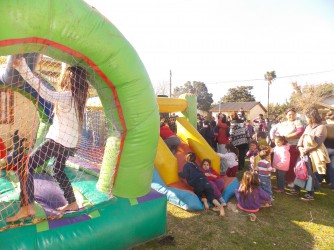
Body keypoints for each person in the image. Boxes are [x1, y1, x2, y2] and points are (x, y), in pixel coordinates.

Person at [7, 56, 89, 223]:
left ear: (68, 80)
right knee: (58, 170)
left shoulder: (67, 96)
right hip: (70, 144)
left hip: (58, 141)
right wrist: (66, 62)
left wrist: (23, 67)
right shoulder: (79, 100)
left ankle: (27, 206)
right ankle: (72, 202)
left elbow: (45, 92)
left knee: (26, 166)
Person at [286, 107, 329, 201]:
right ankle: (297, 189)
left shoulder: (321, 127)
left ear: (312, 117)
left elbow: (317, 143)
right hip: (303, 153)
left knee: (310, 173)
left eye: (307, 117)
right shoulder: (309, 126)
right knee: (299, 170)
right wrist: (300, 147)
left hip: (312, 154)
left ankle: (310, 193)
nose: (305, 119)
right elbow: (302, 137)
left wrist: (305, 150)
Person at [179, 152, 225, 217]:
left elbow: (184, 175)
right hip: (206, 181)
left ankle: (203, 199)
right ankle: (220, 206)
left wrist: (179, 174)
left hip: (198, 183)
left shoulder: (186, 166)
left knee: (198, 193)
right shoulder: (196, 165)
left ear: (187, 158)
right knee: (211, 196)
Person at [275, 108, 305, 188]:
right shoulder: (283, 123)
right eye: (289, 114)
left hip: (293, 146)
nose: (291, 116)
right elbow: (277, 132)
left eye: (293, 114)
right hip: (283, 147)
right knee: (283, 163)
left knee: (292, 164)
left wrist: (285, 137)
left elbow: (300, 132)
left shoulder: (298, 122)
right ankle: (283, 179)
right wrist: (280, 138)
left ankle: (291, 180)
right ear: (286, 115)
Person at [324, 111, 334, 191]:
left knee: (321, 166)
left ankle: (318, 181)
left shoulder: (325, 127)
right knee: (332, 168)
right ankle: (331, 183)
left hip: (326, 148)